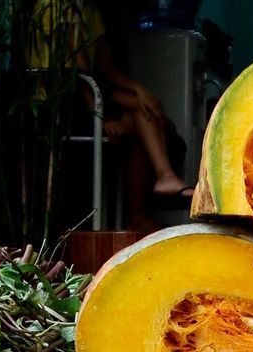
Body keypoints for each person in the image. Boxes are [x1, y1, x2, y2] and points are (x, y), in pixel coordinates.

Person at [31, 3, 192, 230]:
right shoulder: (57, 6)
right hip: (56, 100)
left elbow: (105, 68)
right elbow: (81, 72)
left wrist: (139, 91)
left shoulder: (91, 12)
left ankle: (147, 202)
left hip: (89, 91)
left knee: (143, 113)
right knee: (142, 114)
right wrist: (101, 117)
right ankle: (161, 183)